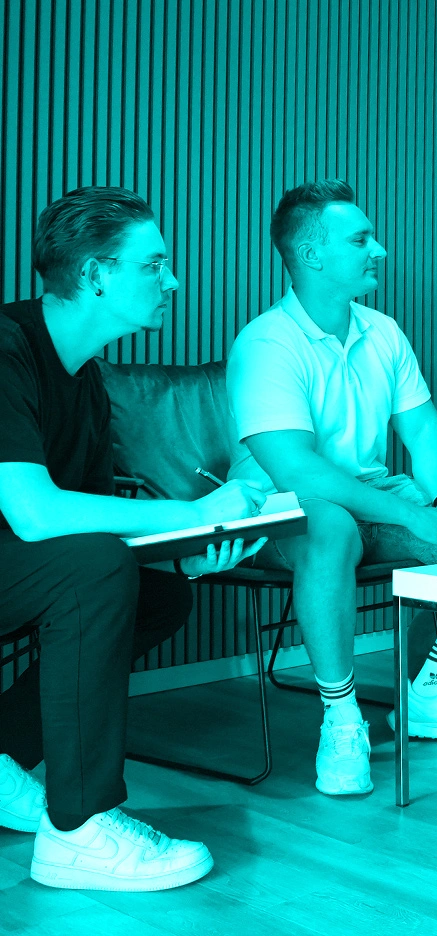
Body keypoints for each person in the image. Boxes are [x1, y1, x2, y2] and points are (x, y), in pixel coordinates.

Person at [226, 178, 437, 797]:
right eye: (361, 239)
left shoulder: (383, 331)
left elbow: (423, 430)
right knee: (330, 525)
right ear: (312, 254)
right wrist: (411, 514)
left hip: (376, 495)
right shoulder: (265, 343)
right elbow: (297, 471)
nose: (380, 249)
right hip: (283, 508)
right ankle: (341, 717)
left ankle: (435, 689)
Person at [0, 187, 267, 891]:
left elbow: (90, 516)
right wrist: (191, 512)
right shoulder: (4, 349)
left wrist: (191, 549)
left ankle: (0, 753)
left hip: (15, 565)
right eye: (155, 265)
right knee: (93, 568)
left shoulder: (86, 380)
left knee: (159, 595)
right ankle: (78, 830)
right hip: (17, 549)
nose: (172, 281)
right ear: (95, 275)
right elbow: (33, 513)